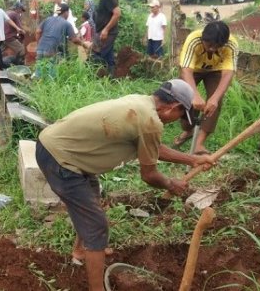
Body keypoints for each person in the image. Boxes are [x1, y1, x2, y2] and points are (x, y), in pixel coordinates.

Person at [36, 79, 216, 291]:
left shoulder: (141, 103)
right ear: (173, 107)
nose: (176, 121)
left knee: (91, 202)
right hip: (62, 161)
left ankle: (81, 251)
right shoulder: (149, 122)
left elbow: (151, 146)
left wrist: (192, 160)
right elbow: (149, 175)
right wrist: (170, 184)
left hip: (59, 149)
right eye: (180, 116)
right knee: (96, 225)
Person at [174, 21, 238, 154]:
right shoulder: (193, 39)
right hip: (193, 70)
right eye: (209, 45)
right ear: (203, 38)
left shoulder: (231, 44)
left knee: (216, 102)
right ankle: (188, 130)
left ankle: (199, 144)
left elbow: (228, 73)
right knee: (184, 96)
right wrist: (195, 95)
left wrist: (214, 98)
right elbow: (186, 70)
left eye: (218, 46)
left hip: (215, 71)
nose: (212, 49)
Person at [35, 3, 87, 76]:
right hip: (52, 51)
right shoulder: (66, 24)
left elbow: (38, 31)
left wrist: (39, 44)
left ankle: (37, 85)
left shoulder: (48, 19)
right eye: (68, 12)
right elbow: (74, 40)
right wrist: (84, 44)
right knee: (51, 76)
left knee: (39, 72)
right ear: (66, 12)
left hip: (40, 49)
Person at [91, 0, 121, 76]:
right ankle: (111, 76)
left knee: (98, 53)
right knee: (109, 55)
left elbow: (117, 13)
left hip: (108, 33)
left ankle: (96, 76)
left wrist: (106, 30)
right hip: (103, 31)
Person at [2, 2, 27, 67]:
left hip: (2, 36)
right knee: (21, 49)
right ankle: (20, 66)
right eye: (21, 10)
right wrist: (24, 32)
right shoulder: (15, 14)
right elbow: (20, 29)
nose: (21, 12)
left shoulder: (7, 12)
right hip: (9, 37)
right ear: (18, 8)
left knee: (1, 51)